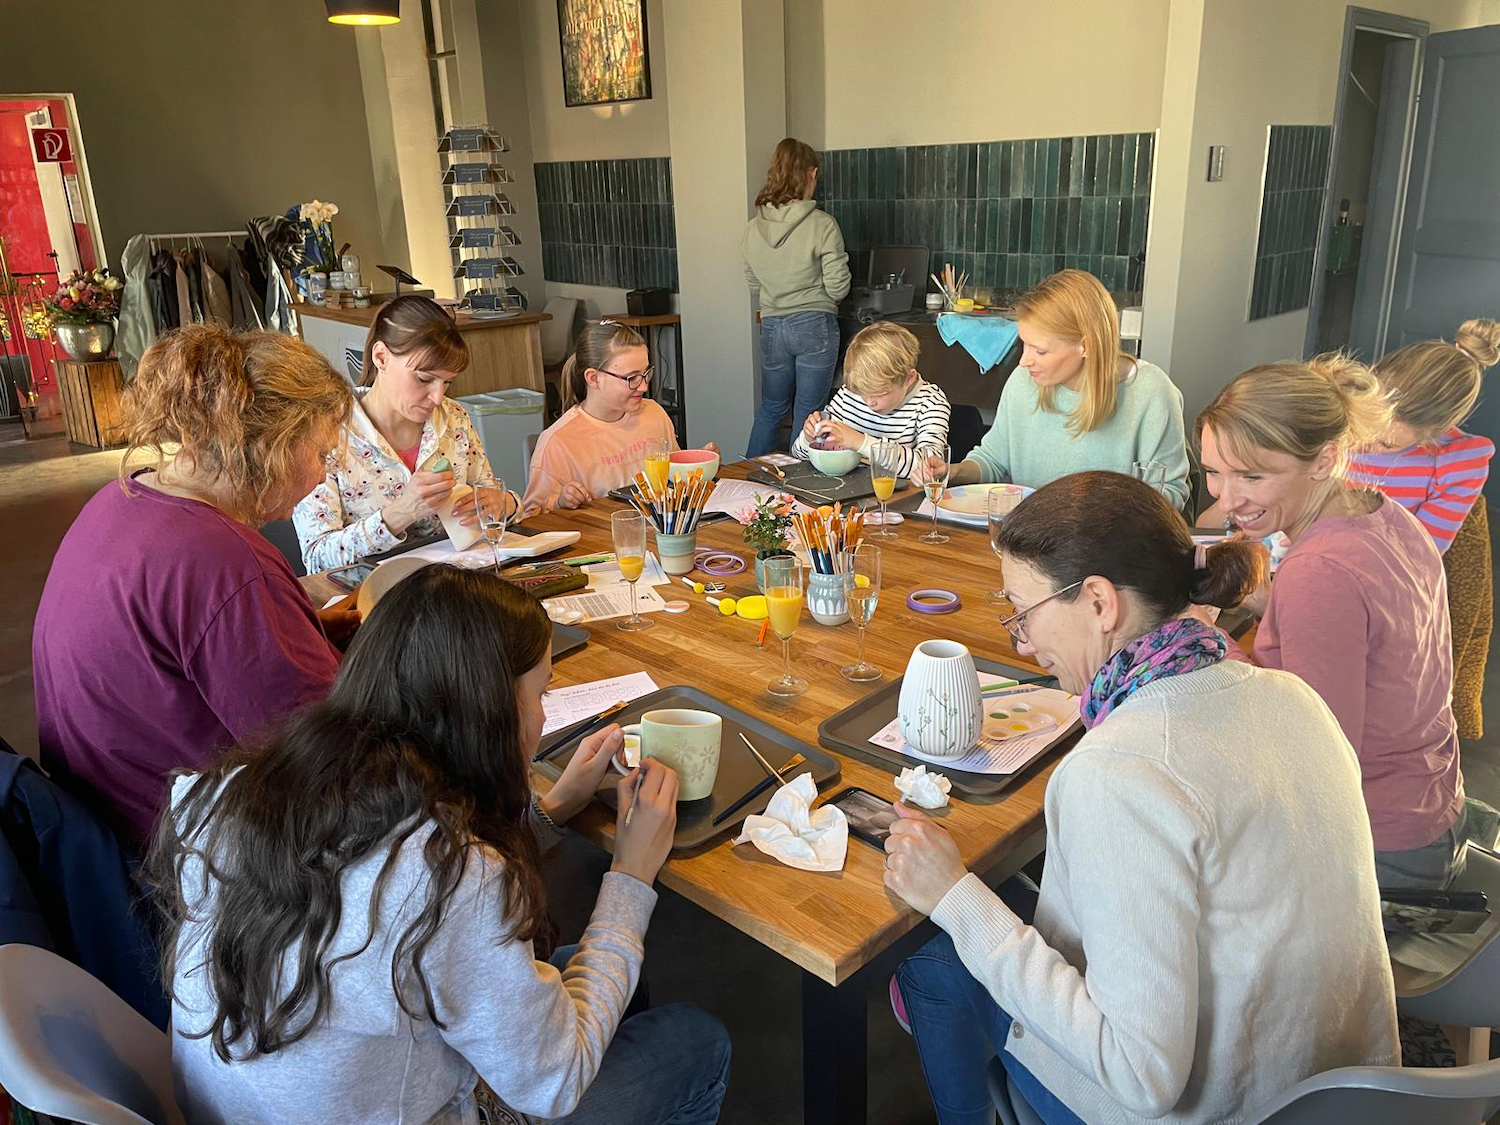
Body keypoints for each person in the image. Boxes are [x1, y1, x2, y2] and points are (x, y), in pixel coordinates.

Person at [886, 472, 1397, 1125]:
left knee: (932, 949)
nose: (1023, 643)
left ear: (1099, 602)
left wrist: (955, 899)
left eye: (1024, 612)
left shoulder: (1118, 771)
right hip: (1345, 1095)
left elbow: (1141, 1074)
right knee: (1006, 897)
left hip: (1209, 1109)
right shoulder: (1294, 697)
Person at [150, 566, 731, 1124]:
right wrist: (630, 875)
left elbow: (392, 899)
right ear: (490, 712)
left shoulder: (231, 792)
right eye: (540, 693)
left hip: (248, 1109)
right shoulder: (454, 876)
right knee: (696, 1040)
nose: (542, 714)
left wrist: (548, 810)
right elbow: (556, 1080)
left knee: (616, 982)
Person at [32, 326, 354, 847]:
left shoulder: (121, 498)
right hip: (177, 853)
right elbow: (329, 759)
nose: (321, 475)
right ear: (273, 445)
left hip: (96, 826)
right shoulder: (226, 561)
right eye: (320, 453)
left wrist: (302, 628)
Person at [1199, 357, 1466, 889]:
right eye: (1213, 472)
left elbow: (1316, 755)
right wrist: (1265, 599)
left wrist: (1205, 639)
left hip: (1374, 842)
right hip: (1431, 803)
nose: (1226, 499)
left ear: (1324, 459)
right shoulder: (1386, 514)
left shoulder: (1319, 572)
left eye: (1252, 475)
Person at [912, 270, 1189, 509]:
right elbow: (993, 460)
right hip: (1029, 538)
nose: (1024, 361)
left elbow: (1171, 494)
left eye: (1040, 351)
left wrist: (1097, 510)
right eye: (1024, 344)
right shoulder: (1023, 382)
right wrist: (953, 471)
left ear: (1086, 346)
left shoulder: (1151, 392)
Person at [1349, 319, 1498, 739]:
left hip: (1389, 592)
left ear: (1435, 435)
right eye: (1366, 424)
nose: (1366, 442)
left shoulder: (1457, 461)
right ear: (1371, 377)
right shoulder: (1340, 413)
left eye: (1387, 444)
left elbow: (1417, 553)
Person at [293, 295, 516, 573]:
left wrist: (505, 503)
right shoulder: (325, 432)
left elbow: (491, 503)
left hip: (456, 583)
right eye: (424, 379)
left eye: (447, 382)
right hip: (370, 593)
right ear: (381, 357)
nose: (437, 397)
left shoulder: (454, 418)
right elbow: (317, 558)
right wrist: (400, 513)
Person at [522, 320, 716, 515]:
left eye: (646, 373)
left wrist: (698, 468)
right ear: (593, 378)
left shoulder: (654, 414)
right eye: (631, 378)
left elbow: (673, 481)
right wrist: (560, 502)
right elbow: (532, 517)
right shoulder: (557, 442)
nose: (644, 387)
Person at [743, 137, 852, 457]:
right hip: (814, 324)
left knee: (771, 408)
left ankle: (748, 478)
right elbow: (838, 288)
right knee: (809, 412)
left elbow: (753, 283)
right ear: (812, 174)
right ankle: (800, 482)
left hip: (772, 325)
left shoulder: (752, 228)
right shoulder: (823, 225)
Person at [790, 321, 951, 478]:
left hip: (896, 494)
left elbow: (930, 469)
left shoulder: (931, 403)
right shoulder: (850, 394)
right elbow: (798, 456)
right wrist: (809, 438)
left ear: (909, 378)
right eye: (863, 393)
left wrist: (861, 442)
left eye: (880, 393)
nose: (869, 402)